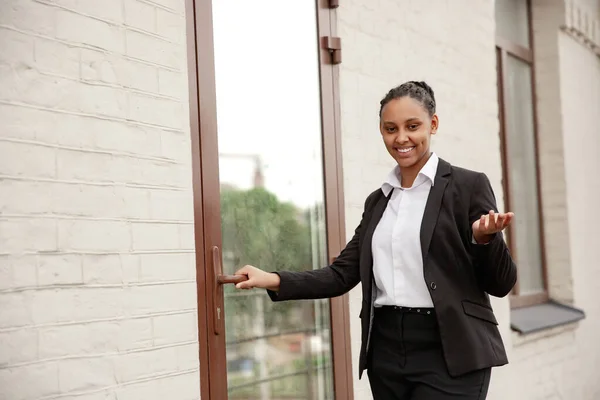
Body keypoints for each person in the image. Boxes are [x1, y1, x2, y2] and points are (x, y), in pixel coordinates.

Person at [234, 81, 517, 400]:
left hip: (452, 349)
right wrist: (270, 279)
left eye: (413, 126)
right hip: (387, 352)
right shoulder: (379, 201)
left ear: (433, 124)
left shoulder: (468, 186)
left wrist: (484, 240)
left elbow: (502, 283)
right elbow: (341, 274)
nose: (401, 138)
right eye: (390, 128)